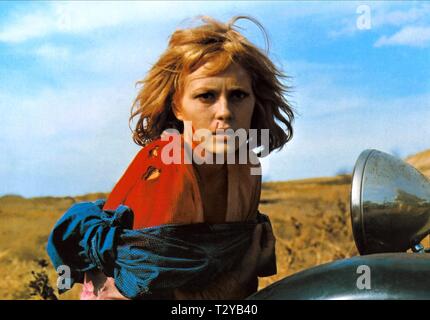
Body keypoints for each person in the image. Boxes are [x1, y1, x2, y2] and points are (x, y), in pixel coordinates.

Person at [49, 15, 294, 300]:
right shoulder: (169, 168)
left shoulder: (246, 166)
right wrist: (237, 278)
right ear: (177, 106)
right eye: (206, 96)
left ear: (255, 101)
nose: (225, 111)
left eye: (238, 95)